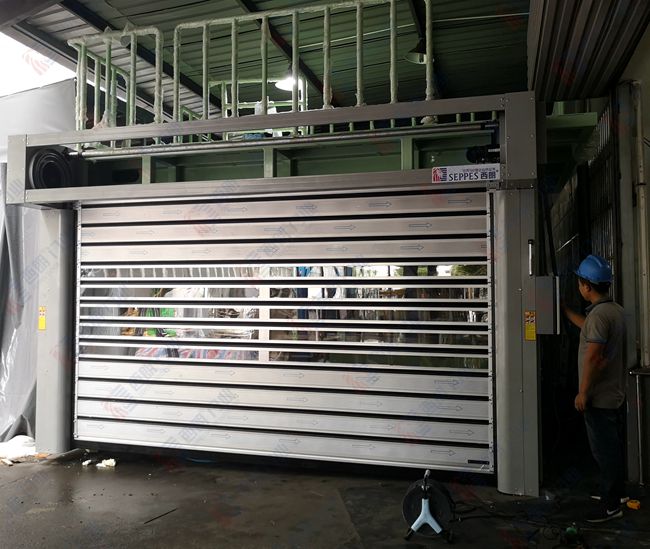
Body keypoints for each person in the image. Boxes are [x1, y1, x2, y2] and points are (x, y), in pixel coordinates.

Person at [562, 254, 627, 523]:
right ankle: (616, 495)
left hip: (599, 397)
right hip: (614, 394)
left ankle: (610, 507)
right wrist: (565, 311)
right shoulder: (613, 310)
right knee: (612, 448)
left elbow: (594, 357)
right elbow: (589, 328)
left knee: (604, 452)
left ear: (587, 286)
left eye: (580, 283)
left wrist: (583, 392)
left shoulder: (599, 316)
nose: (579, 287)